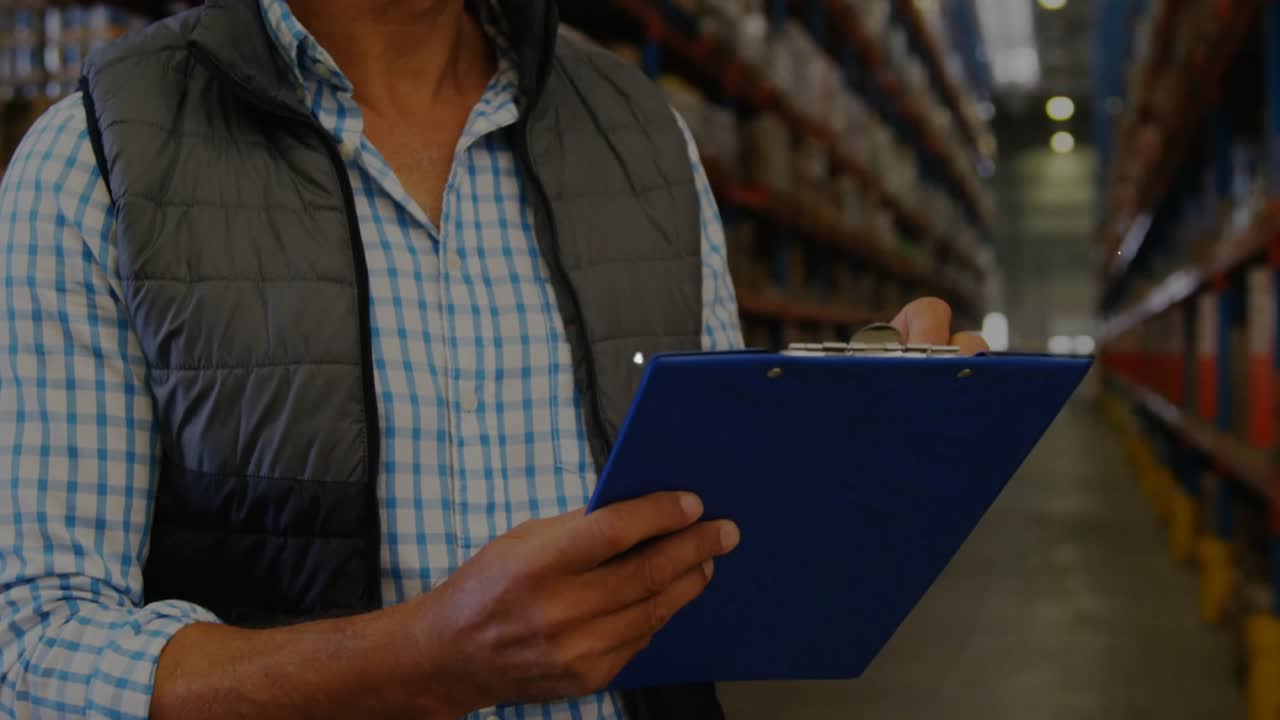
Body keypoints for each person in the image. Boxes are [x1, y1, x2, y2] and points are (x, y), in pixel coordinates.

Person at [0, 0, 987, 717]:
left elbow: (704, 548)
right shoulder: (96, 160)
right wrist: (416, 661)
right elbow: (32, 650)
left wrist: (864, 451)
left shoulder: (641, 141)